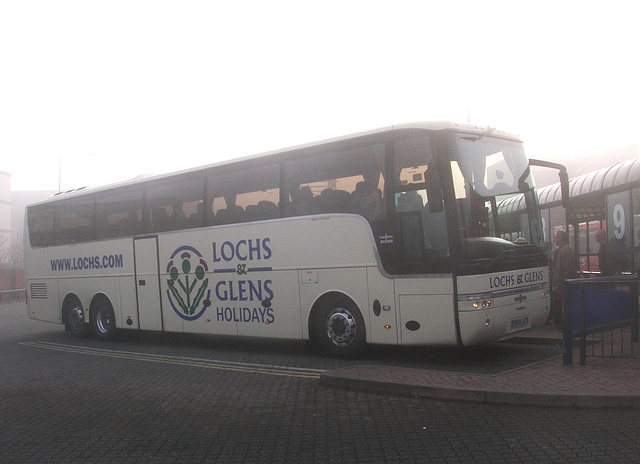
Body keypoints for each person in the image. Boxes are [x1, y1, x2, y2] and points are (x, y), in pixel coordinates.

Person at [550, 229, 577, 326]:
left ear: (561, 238)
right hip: (559, 284)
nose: (554, 240)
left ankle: (563, 324)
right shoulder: (561, 250)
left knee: (562, 305)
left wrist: (565, 283)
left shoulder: (565, 250)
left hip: (562, 284)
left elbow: (568, 269)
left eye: (556, 237)